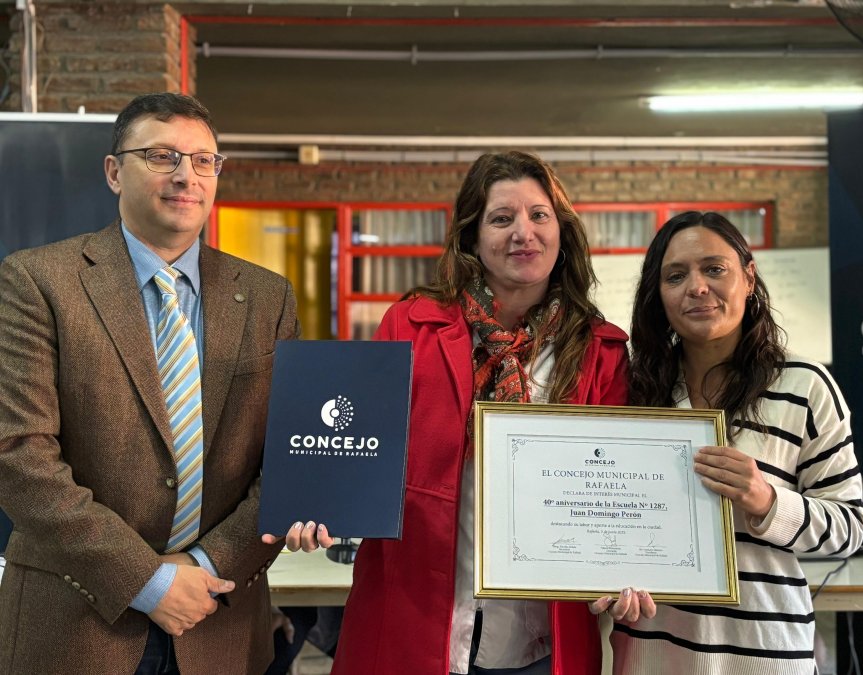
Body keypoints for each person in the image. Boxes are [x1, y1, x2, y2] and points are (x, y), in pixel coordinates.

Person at [264, 151, 655, 674]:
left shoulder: (600, 350)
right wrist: (322, 500)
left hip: (541, 637)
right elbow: (364, 450)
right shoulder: (410, 325)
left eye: (540, 215)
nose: (524, 232)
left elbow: (615, 486)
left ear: (562, 231)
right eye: (502, 218)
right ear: (471, 235)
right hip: (418, 620)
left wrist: (626, 564)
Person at [0, 93, 298, 674]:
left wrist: (207, 565)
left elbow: (285, 460)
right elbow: (18, 454)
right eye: (162, 155)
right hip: (76, 623)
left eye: (203, 160)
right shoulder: (38, 281)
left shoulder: (267, 296)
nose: (186, 175)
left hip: (219, 618)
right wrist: (147, 580)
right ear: (114, 171)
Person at [612, 211, 863, 673]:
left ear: (749, 277)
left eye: (714, 268)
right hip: (652, 653)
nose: (697, 287)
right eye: (675, 275)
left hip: (767, 654)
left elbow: (848, 529)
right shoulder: (632, 390)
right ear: (659, 295)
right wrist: (607, 573)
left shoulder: (805, 386)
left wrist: (767, 500)